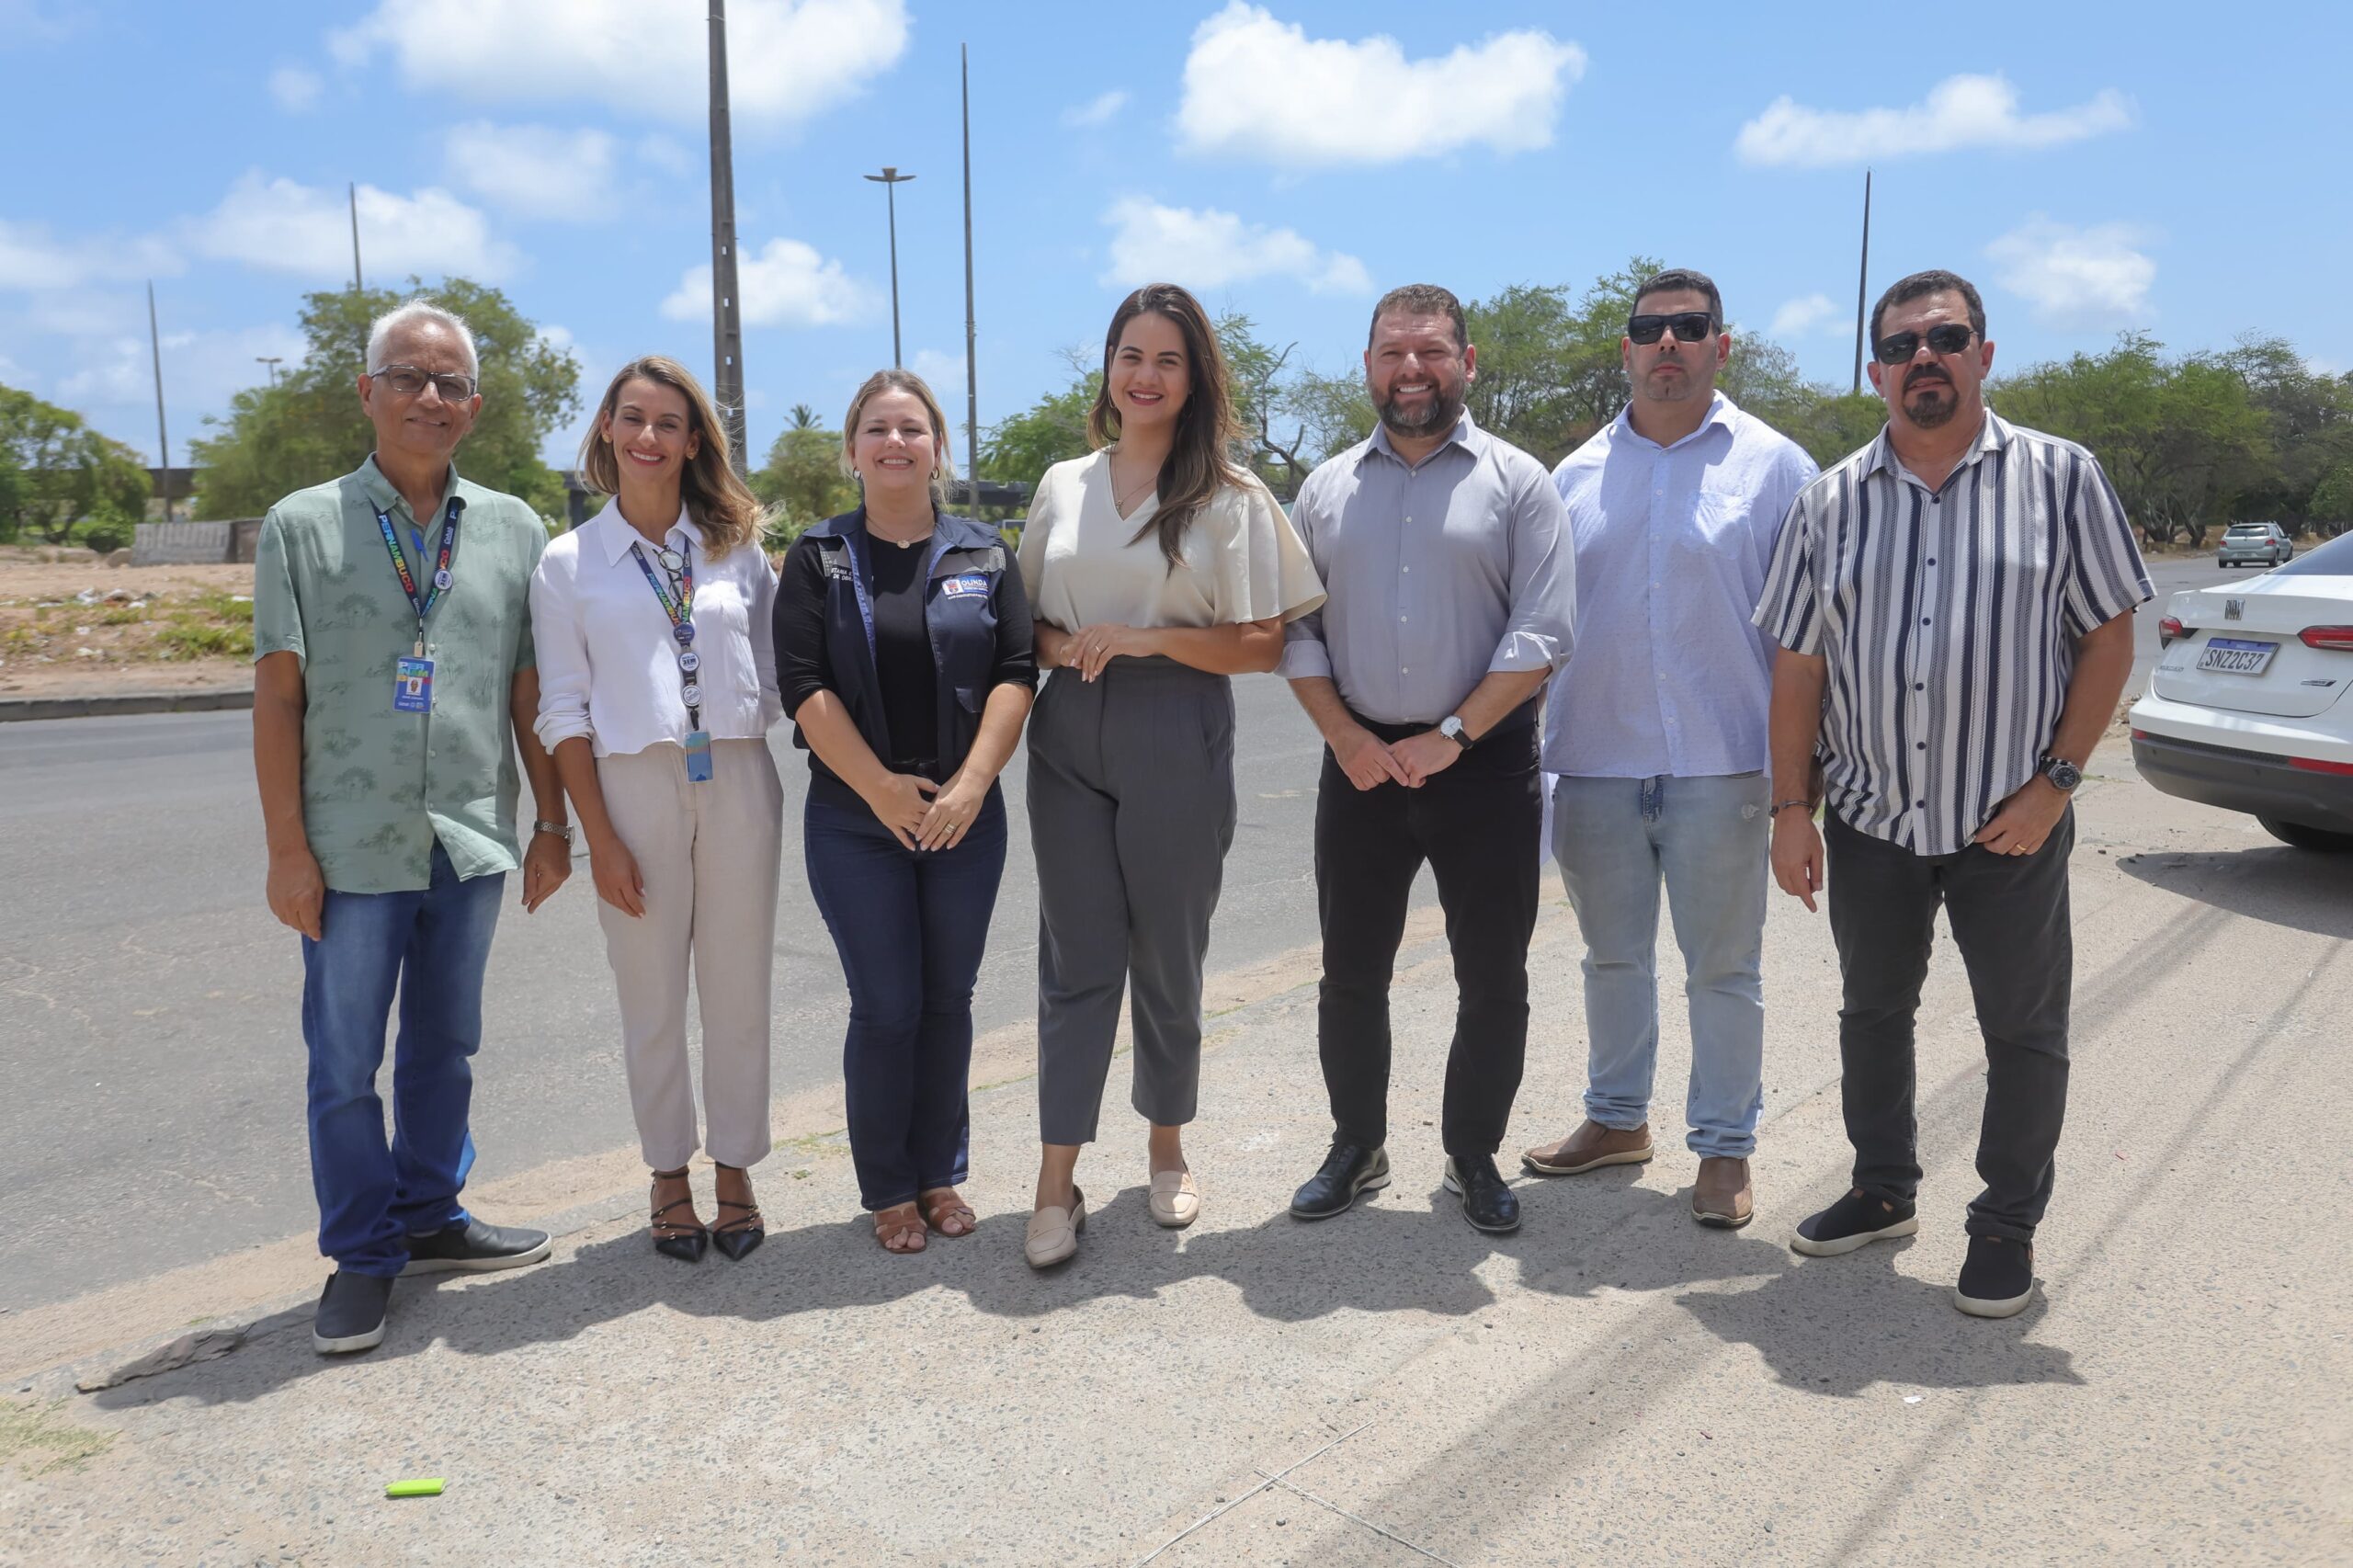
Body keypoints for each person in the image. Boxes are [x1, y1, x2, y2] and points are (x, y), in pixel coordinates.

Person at [1756, 268, 2149, 1318]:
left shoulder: (2060, 479)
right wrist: (1791, 809)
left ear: (1983, 353)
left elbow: (2110, 636)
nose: (1921, 358)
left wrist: (2056, 784)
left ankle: (2004, 1223)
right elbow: (1798, 667)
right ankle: (1881, 1187)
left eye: (1944, 338)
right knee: (1871, 1012)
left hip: (2007, 823)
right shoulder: (1829, 500)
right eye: (1899, 345)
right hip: (1874, 818)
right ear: (1875, 369)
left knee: (2021, 1031)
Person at [253, 298, 570, 1357]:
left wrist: (554, 822)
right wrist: (287, 850)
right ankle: (361, 1251)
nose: (428, 398)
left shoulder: (515, 527)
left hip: (470, 832)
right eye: (407, 377)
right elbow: (277, 700)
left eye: (447, 384)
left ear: (472, 407)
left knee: (448, 1039)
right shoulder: (302, 523)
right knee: (343, 1057)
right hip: (348, 843)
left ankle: (433, 1212)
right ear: (368, 391)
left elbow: (529, 690)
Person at [1018, 283, 1324, 1267]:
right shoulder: (1062, 483)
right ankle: (1054, 1179)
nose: (1143, 376)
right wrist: (1065, 649)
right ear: (1106, 367)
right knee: (1075, 957)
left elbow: (1261, 644)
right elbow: (1020, 622)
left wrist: (1143, 639)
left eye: (1166, 360)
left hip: (1174, 721)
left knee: (1168, 952)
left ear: (1195, 380)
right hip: (1068, 727)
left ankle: (1166, 1147)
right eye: (1128, 355)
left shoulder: (1231, 499)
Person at [1518, 269, 1818, 1229]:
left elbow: (1807, 638)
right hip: (1595, 762)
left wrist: (1795, 790)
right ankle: (1615, 1119)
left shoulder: (1775, 468)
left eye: (1690, 328)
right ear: (1626, 348)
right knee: (1611, 960)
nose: (1668, 344)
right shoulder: (1570, 477)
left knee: (1721, 969)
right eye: (1650, 329)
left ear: (1722, 345)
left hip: (1723, 765)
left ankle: (1724, 1147)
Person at [1282, 283, 1575, 1235]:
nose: (1412, 371)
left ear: (1467, 362)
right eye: (1392, 354)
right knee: (1349, 972)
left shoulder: (1519, 482)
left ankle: (1471, 1155)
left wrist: (1448, 737)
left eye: (1431, 352)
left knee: (1492, 976)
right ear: (1367, 366)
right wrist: (1349, 738)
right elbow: (1298, 633)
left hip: (1482, 765)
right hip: (1359, 761)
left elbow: (1540, 635)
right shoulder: (1324, 488)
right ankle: (1356, 1145)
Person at [776, 369, 1037, 1254]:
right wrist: (882, 789)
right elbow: (803, 686)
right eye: (878, 429)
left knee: (948, 1000)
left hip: (965, 814)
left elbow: (1017, 669)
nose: (896, 443)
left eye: (913, 429)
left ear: (937, 448)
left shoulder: (986, 552)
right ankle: (887, 1185)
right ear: (852, 449)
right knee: (887, 1005)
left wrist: (968, 784)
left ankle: (939, 1173)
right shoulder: (818, 555)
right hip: (858, 820)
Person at [530, 356, 782, 1263]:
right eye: (631, 417)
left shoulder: (734, 548)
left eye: (668, 422)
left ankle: (737, 1167)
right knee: (651, 996)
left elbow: (785, 671)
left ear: (692, 441)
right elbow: (560, 706)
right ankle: (668, 1173)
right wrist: (595, 834)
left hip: (740, 778)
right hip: (629, 786)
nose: (648, 436)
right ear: (605, 429)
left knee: (738, 987)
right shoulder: (568, 563)